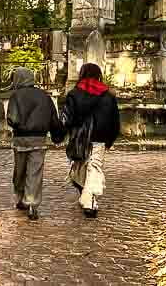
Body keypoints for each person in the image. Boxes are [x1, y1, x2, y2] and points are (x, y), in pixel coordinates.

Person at [61, 63, 121, 219]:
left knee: (82, 166)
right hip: (100, 137)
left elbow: (67, 118)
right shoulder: (108, 96)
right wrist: (110, 140)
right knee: (93, 167)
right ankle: (89, 199)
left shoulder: (74, 94)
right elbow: (115, 121)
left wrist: (61, 135)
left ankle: (88, 200)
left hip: (79, 137)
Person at [6, 66, 64, 221]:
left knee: (20, 170)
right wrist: (58, 136)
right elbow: (54, 119)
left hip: (20, 138)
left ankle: (20, 198)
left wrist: (19, 126)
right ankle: (32, 203)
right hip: (39, 138)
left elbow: (12, 119)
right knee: (35, 172)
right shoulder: (45, 96)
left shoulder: (15, 96)